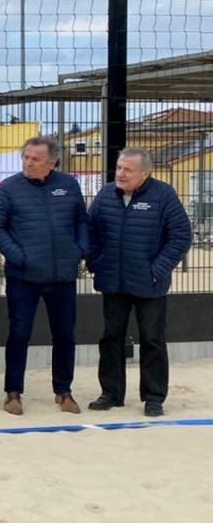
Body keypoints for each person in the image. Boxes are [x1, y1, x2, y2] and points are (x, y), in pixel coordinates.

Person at [0, 135, 89, 416]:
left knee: (65, 335)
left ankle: (63, 391)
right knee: (19, 334)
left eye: (35, 159)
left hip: (62, 277)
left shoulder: (68, 185)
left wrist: (80, 250)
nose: (28, 163)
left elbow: (82, 220)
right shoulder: (9, 188)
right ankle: (13, 393)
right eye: (26, 158)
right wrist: (18, 256)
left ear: (52, 162)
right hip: (23, 278)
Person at [87, 147, 192, 417]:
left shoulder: (163, 195)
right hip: (113, 281)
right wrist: (96, 263)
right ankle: (111, 393)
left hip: (150, 284)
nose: (120, 173)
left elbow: (180, 236)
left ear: (145, 173)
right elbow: (91, 231)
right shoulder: (106, 195)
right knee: (111, 338)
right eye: (119, 167)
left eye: (127, 170)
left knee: (152, 340)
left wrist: (156, 270)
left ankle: (154, 397)